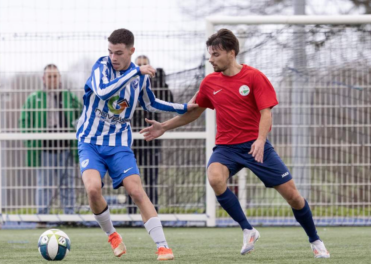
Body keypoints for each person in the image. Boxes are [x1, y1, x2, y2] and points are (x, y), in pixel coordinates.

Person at [140, 29, 330, 259]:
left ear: (231, 53)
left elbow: (266, 112)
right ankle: (248, 230)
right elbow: (194, 112)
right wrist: (164, 127)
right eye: (209, 54)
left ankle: (315, 240)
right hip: (227, 148)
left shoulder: (254, 77)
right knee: (214, 177)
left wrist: (260, 140)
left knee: (294, 197)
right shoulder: (209, 82)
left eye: (216, 54)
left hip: (256, 145)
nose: (211, 59)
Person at [75, 28, 197, 261]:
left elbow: (150, 103)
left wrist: (183, 107)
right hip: (90, 142)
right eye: (110, 52)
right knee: (92, 189)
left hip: (119, 144)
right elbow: (102, 92)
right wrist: (135, 72)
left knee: (137, 191)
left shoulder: (138, 77)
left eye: (119, 53)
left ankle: (163, 246)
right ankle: (112, 235)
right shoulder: (101, 67)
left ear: (131, 50)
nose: (113, 57)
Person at [19, 64, 82, 216]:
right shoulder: (34, 98)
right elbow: (24, 121)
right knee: (44, 185)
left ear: (59, 77)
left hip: (66, 147)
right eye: (49, 76)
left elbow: (81, 115)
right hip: (44, 149)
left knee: (68, 184)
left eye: (55, 76)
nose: (53, 79)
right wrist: (31, 142)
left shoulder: (69, 96)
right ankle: (42, 216)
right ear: (43, 78)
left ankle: (69, 216)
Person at [127, 55, 174, 214]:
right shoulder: (129, 82)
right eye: (139, 65)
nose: (142, 67)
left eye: (144, 64)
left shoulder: (155, 84)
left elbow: (169, 102)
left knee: (151, 178)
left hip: (152, 137)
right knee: (131, 179)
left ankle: (153, 212)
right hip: (132, 138)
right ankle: (131, 213)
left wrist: (162, 82)